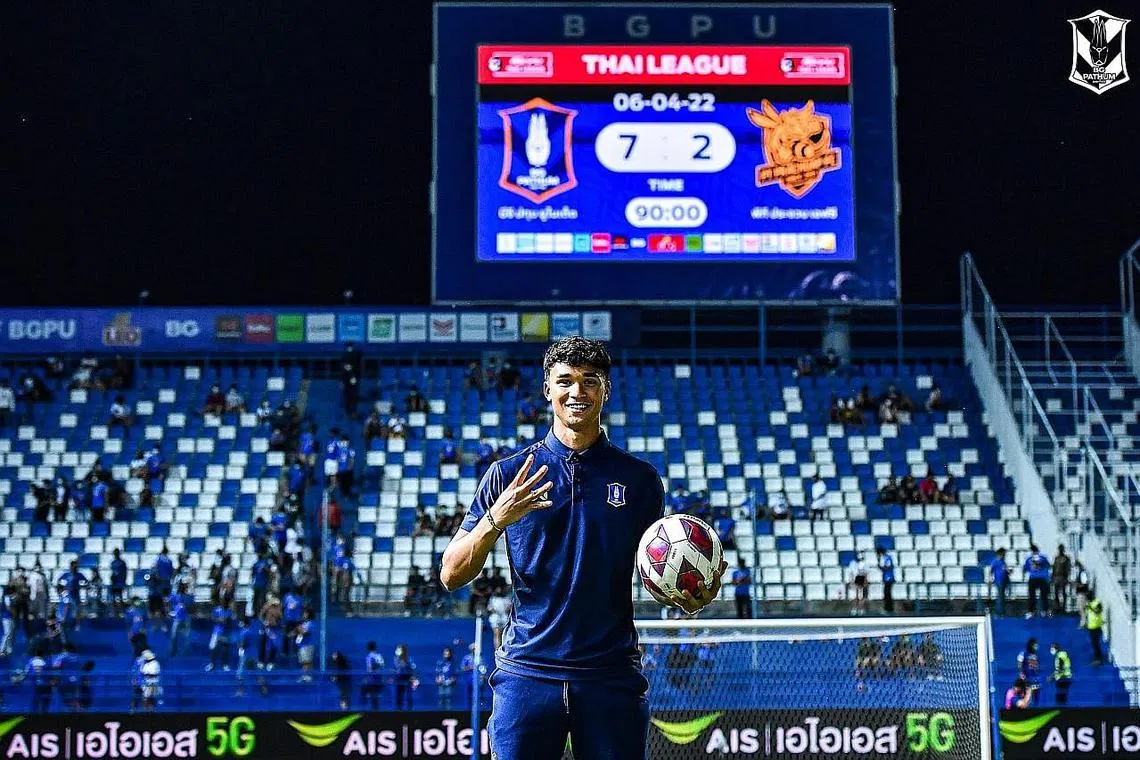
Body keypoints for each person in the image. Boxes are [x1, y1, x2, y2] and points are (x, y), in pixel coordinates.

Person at [439, 337, 723, 760]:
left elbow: (655, 570)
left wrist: (687, 594)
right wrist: (496, 518)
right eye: (565, 381)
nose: (578, 392)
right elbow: (451, 574)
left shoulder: (640, 481)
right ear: (547, 389)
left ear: (606, 390)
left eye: (590, 381)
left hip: (610, 676)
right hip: (527, 674)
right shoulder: (508, 474)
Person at [1023, 544, 1051, 618]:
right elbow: (1048, 566)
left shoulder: (1029, 559)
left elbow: (1025, 569)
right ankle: (1045, 611)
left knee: (1032, 595)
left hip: (1033, 578)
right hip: (1042, 578)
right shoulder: (1043, 558)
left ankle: (1032, 612)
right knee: (1044, 595)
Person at [1017, 638, 1041, 705]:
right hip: (1027, 680)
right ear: (1031, 645)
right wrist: (1021, 674)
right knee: (1026, 697)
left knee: (1036, 698)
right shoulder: (1023, 654)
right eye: (1035, 645)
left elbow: (1036, 668)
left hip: (1035, 680)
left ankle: (1036, 706)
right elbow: (1019, 664)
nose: (1036, 647)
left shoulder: (1036, 655)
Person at [1052, 544, 1072, 615]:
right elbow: (1054, 568)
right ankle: (1057, 607)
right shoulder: (1056, 558)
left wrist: (1067, 577)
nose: (1060, 550)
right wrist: (1052, 577)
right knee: (1056, 593)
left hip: (1063, 577)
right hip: (1056, 577)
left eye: (1061, 549)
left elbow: (1068, 568)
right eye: (1059, 549)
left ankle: (1064, 607)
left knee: (1063, 593)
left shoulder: (1066, 558)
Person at [1087, 595, 1106, 665]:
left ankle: (1098, 659)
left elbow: (1098, 611)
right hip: (1091, 627)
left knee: (1096, 644)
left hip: (1096, 628)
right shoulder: (1090, 604)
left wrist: (1091, 608)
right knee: (1094, 643)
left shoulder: (1097, 603)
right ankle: (1097, 657)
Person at [876, 546, 896, 614]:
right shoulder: (884, 558)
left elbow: (888, 567)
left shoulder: (888, 558)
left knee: (887, 593)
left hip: (889, 578)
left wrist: (881, 567)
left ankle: (889, 608)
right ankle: (888, 608)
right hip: (886, 578)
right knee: (886, 593)